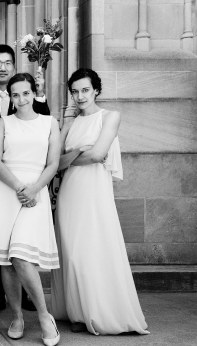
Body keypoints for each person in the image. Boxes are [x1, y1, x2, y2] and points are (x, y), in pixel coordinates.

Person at [50, 68, 149, 335]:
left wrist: (74, 156)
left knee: (92, 249)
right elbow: (55, 163)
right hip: (70, 193)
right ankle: (76, 311)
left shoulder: (110, 117)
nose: (80, 96)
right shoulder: (69, 125)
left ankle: (97, 311)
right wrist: (76, 153)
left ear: (96, 90)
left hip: (94, 193)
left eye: (85, 90)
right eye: (75, 92)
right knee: (71, 252)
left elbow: (97, 155)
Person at [0, 73, 61, 346]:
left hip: (36, 191)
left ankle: (44, 317)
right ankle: (17, 317)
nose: (21, 99)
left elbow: (53, 163)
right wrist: (19, 187)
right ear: (10, 97)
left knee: (21, 257)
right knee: (6, 260)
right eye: (15, 94)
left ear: (34, 93)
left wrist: (34, 189)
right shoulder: (3, 122)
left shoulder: (50, 123)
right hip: (5, 191)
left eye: (25, 93)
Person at [0, 44, 49, 316]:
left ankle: (27, 294)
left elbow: (43, 131)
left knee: (22, 243)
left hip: (29, 183)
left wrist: (40, 94)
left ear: (14, 67)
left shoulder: (29, 97)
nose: (2, 67)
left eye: (8, 62)